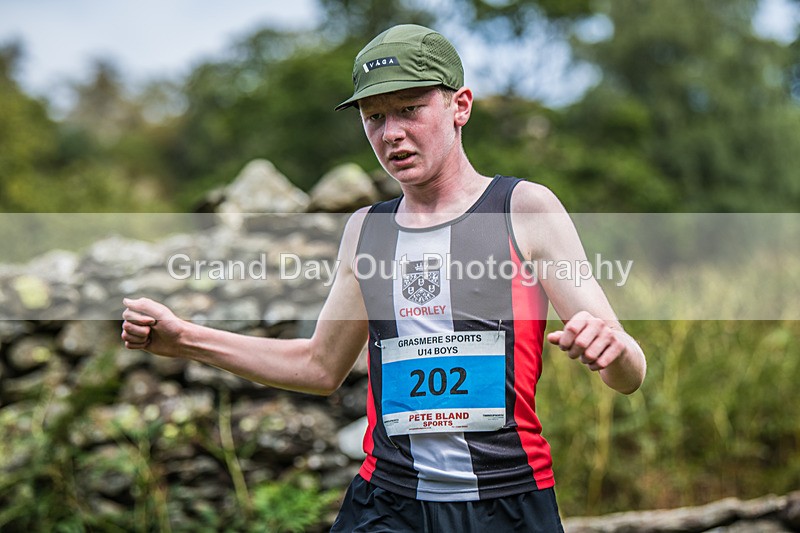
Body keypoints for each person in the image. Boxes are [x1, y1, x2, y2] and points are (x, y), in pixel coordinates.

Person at [122, 24, 646, 532]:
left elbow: (629, 373)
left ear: (459, 106)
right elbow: (319, 366)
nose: (391, 132)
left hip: (506, 500)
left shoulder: (523, 208)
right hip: (388, 502)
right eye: (374, 117)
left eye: (409, 110)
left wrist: (614, 351)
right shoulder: (365, 231)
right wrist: (185, 338)